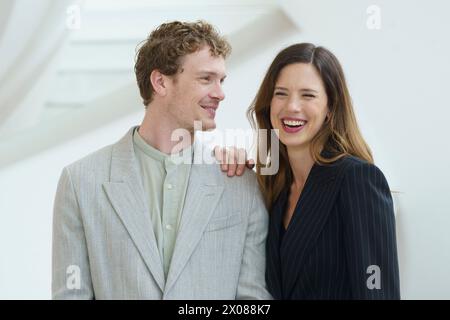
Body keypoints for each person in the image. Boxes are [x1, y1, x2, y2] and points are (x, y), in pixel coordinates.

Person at [52, 20, 272, 300]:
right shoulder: (80, 182)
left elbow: (253, 301)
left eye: (221, 80)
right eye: (206, 79)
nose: (220, 93)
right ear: (160, 82)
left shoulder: (242, 184)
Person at [219, 43, 400, 299]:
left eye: (308, 95)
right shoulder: (273, 187)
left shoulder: (357, 179)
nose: (292, 106)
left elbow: (378, 292)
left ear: (330, 108)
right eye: (281, 93)